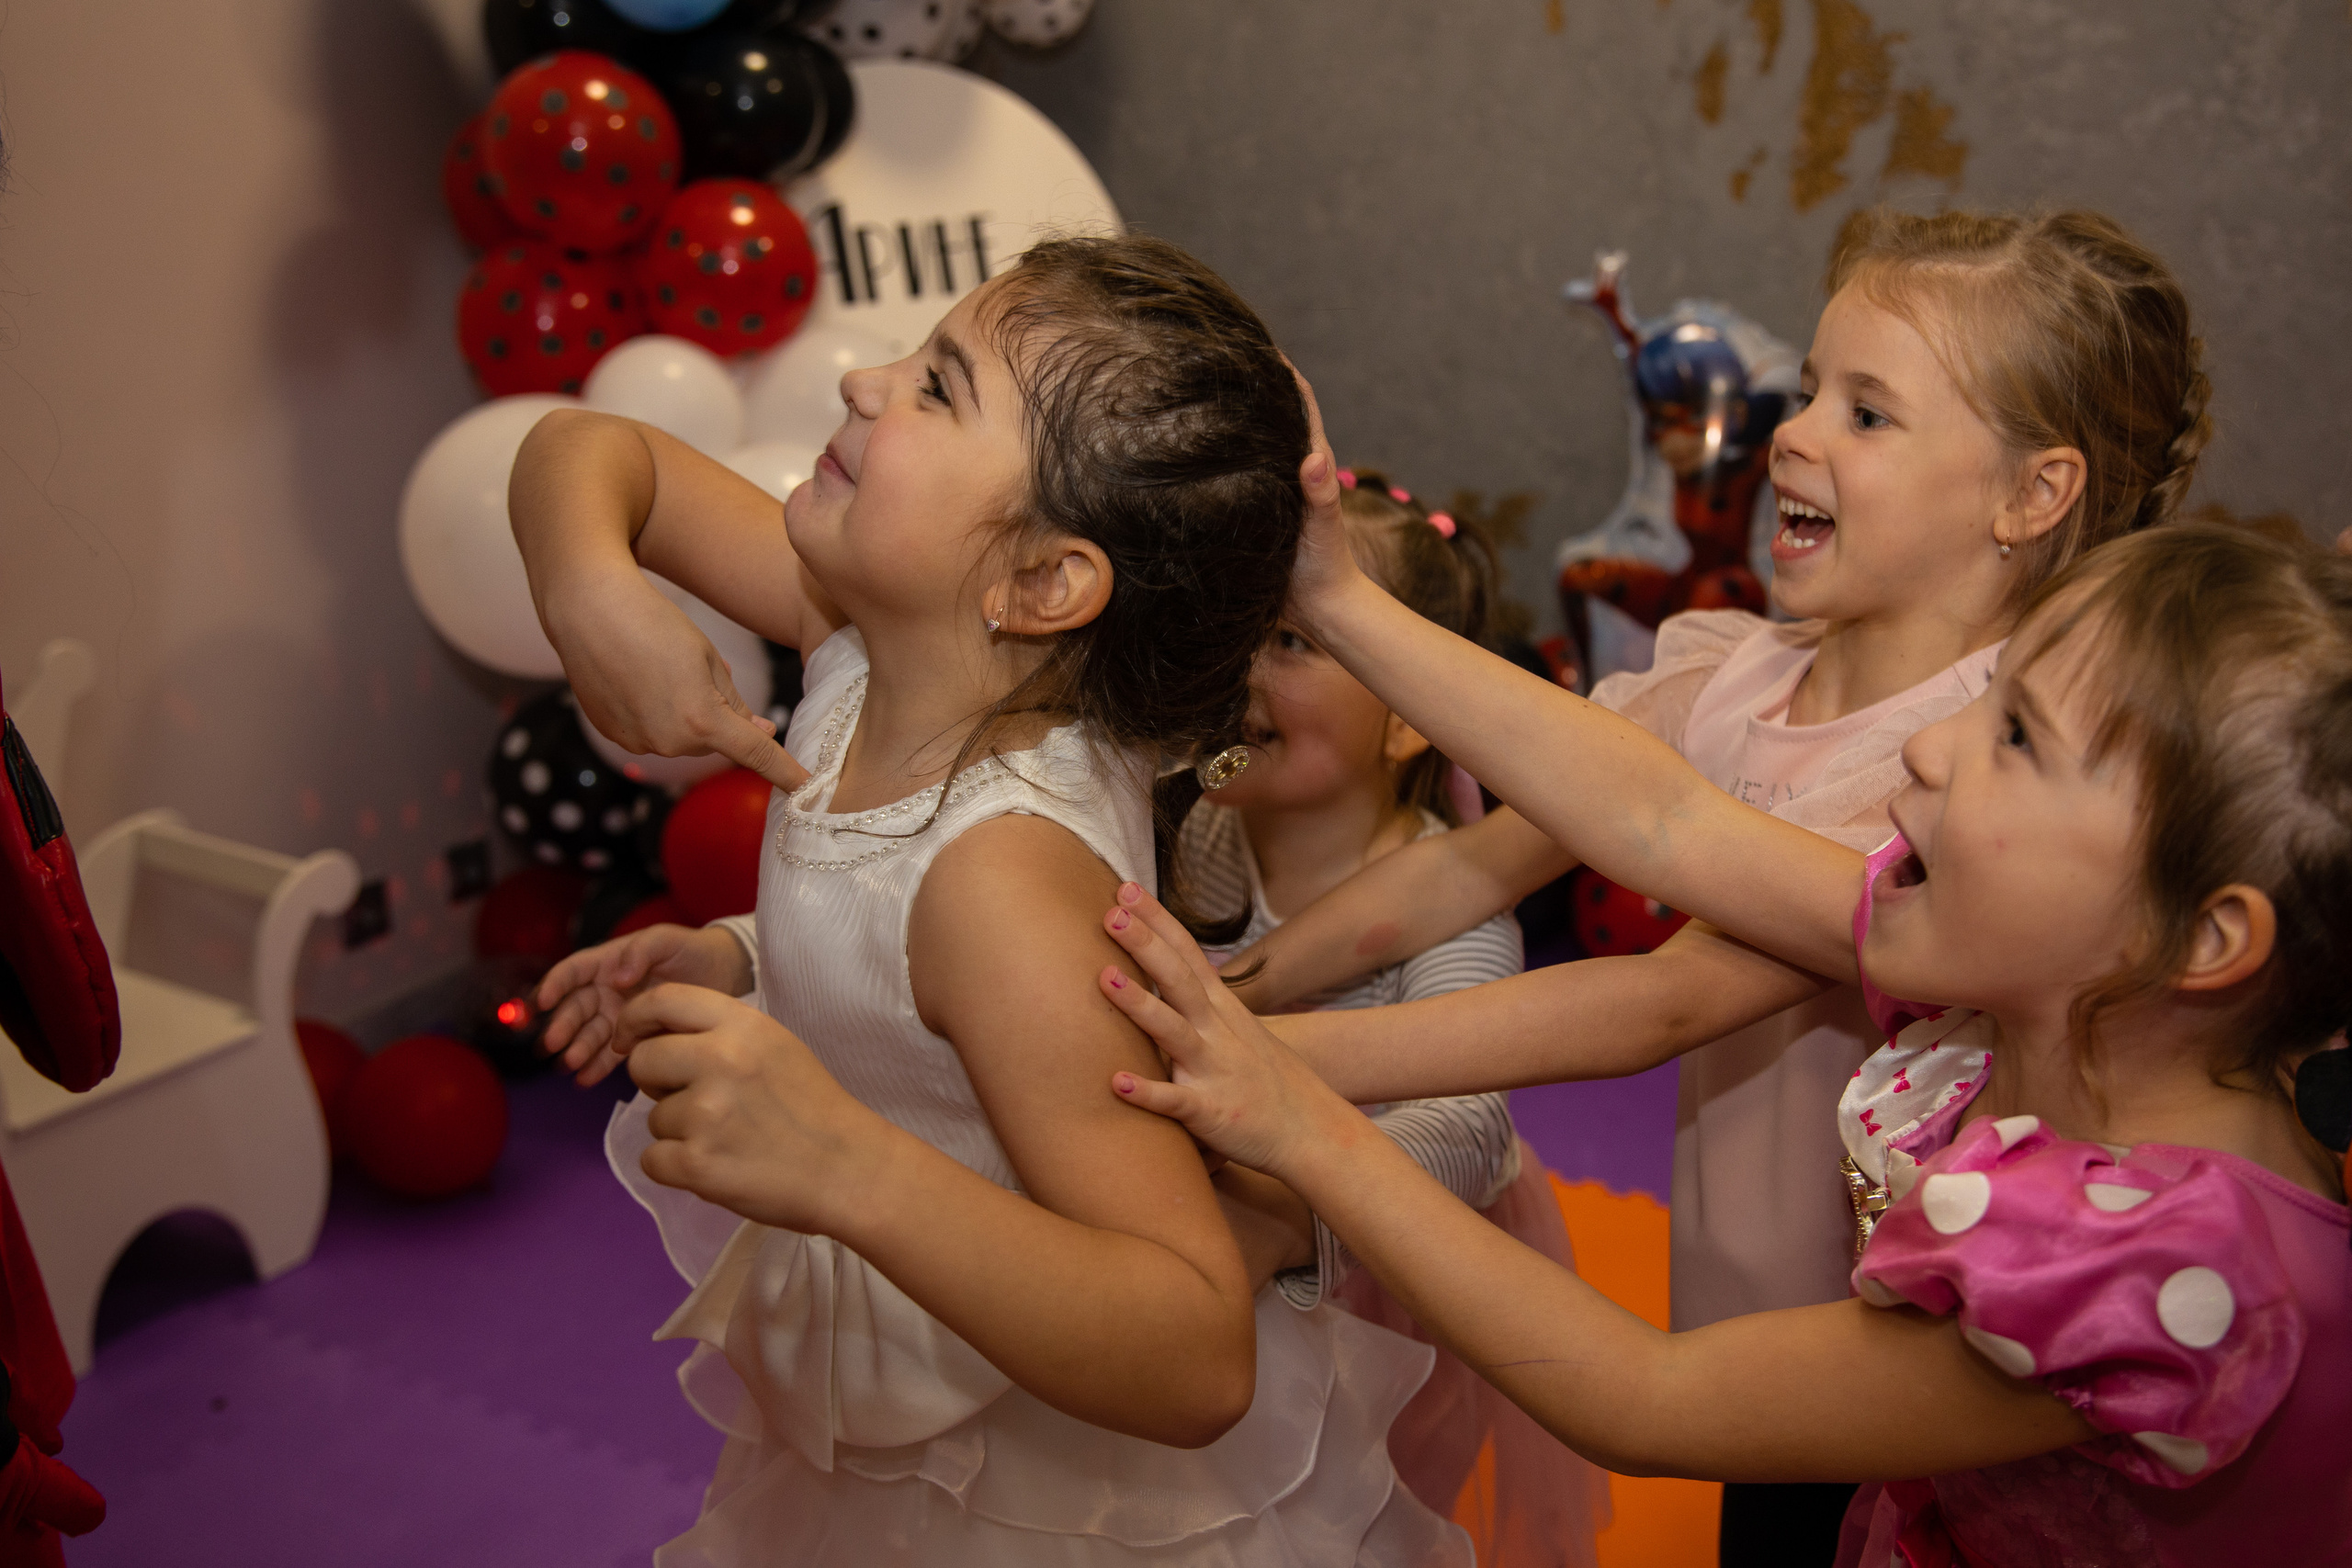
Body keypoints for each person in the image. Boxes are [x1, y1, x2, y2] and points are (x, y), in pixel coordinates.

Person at [1212, 208, 2215, 1558]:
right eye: (1810, 389)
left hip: (1905, 1331)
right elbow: (1471, 860)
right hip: (1753, 1310)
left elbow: (1661, 1000)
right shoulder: (1732, 670)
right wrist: (1250, 978)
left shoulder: (1979, 773)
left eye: (1868, 413)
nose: (1794, 431)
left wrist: (1280, 1055)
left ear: (2028, 495)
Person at [1091, 511, 2352, 1567]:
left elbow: (1645, 1393)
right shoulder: (2027, 983)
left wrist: (1297, 1123)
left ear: (2202, 939)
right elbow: (1659, 814)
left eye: (2017, 738)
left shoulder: (2167, 1267)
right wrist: (1334, 589)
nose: (1927, 741)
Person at [512, 235, 1470, 1565]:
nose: (859, 379)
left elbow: (1195, 1350)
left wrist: (841, 1161)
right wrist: (588, 590)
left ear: (1042, 583)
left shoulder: (1004, 885)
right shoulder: (857, 639)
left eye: (937, 387)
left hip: (1032, 1478)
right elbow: (588, 450)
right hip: (896, 1405)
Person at [1180, 468, 1605, 1567]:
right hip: (1206, 1269)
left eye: (1292, 644)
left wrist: (1292, 1211)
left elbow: (1468, 1129)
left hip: (1387, 1297)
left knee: (1355, 1523)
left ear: (1411, 719)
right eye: (1239, 626)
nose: (1241, 663)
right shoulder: (1192, 840)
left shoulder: (1450, 914)